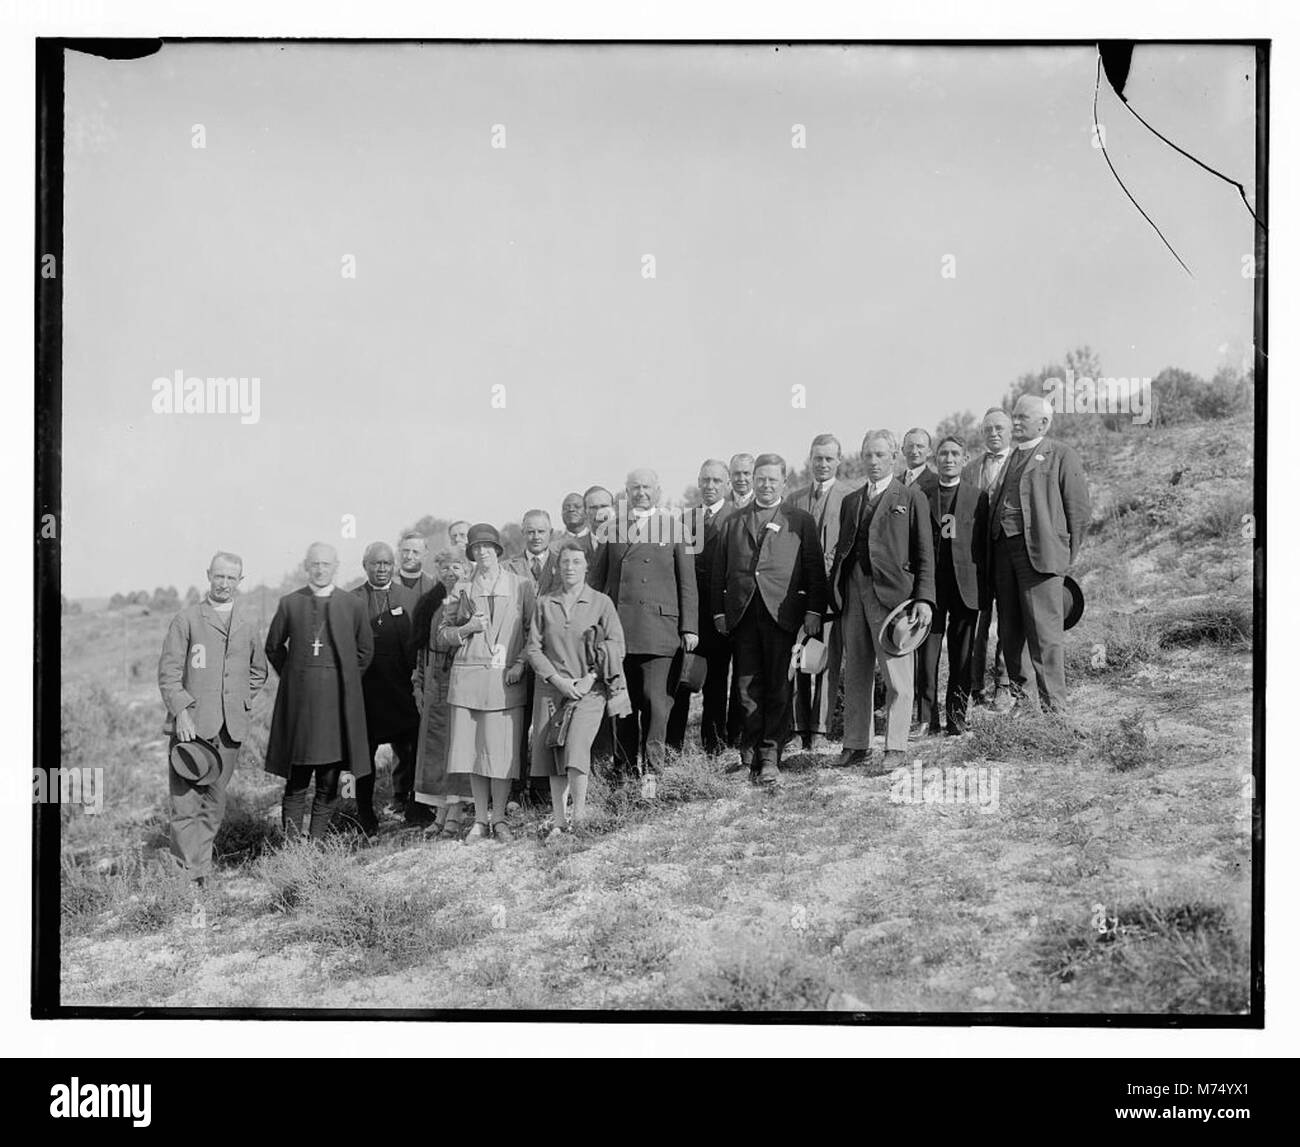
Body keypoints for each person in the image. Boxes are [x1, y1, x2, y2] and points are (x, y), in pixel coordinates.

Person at [712, 453, 827, 785]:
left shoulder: (800, 520)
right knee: (746, 685)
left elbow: (814, 571)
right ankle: (747, 752)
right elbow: (720, 571)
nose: (764, 484)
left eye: (772, 479)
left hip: (782, 614)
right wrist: (719, 611)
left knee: (779, 684)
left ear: (784, 482)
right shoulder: (733, 521)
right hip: (743, 613)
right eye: (760, 479)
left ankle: (770, 756)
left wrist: (814, 611)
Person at [157, 551, 267, 885]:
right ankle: (185, 875)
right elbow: (168, 674)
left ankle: (199, 867)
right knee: (186, 802)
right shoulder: (187, 619)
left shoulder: (247, 624)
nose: (224, 584)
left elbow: (258, 672)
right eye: (218, 576)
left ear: (240, 581)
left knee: (214, 802)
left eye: (231, 578)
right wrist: (182, 712)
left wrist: (238, 703)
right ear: (208, 575)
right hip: (192, 728)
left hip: (228, 730)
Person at [829, 431, 934, 773]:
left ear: (894, 457)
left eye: (879, 455)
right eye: (867, 456)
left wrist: (924, 598)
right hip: (853, 591)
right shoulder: (850, 501)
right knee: (857, 668)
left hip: (892, 594)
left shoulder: (911, 496)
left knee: (897, 672)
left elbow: (924, 554)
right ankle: (856, 744)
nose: (873, 462)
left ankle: (896, 746)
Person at [590, 468, 698, 780]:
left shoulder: (675, 528)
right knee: (623, 704)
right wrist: (596, 628)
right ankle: (624, 772)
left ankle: (653, 774)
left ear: (658, 490)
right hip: (620, 632)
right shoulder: (611, 529)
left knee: (656, 703)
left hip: (660, 630)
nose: (641, 493)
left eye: (647, 487)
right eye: (635, 487)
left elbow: (687, 584)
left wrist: (689, 627)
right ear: (626, 491)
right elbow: (597, 583)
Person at [986, 394, 1090, 714]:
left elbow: (1079, 512)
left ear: (1043, 423)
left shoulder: (1061, 454)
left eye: (1022, 418)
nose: (1014, 423)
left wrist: (1060, 556)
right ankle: (1025, 702)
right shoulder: (1011, 457)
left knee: (1045, 634)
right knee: (1010, 630)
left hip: (1040, 556)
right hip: (1004, 554)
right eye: (1013, 417)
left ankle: (1056, 709)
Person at [265, 543, 373, 838]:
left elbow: (365, 651)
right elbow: (273, 647)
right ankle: (291, 847)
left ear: (335, 566)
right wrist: (294, 677)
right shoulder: (290, 603)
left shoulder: (352, 605)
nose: (320, 569)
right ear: (306, 566)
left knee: (329, 779)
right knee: (297, 779)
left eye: (326, 564)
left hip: (337, 705)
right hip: (300, 705)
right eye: (315, 563)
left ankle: (315, 843)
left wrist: (345, 679)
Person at [441, 524, 536, 842]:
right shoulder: (462, 587)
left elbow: (534, 631)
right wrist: (467, 627)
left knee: (501, 753)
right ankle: (479, 820)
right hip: (468, 679)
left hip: (505, 680)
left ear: (498, 550)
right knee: (473, 753)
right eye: (476, 548)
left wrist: (521, 662)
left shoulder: (521, 585)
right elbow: (443, 635)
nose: (482, 552)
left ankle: (499, 820)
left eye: (487, 546)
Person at [526, 541, 627, 835]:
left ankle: (580, 818)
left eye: (576, 562)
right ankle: (559, 821)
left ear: (587, 567)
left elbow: (617, 645)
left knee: (575, 749)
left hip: (589, 692)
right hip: (551, 691)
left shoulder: (601, 602)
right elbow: (533, 649)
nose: (570, 567)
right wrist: (557, 680)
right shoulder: (545, 603)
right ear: (557, 567)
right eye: (565, 562)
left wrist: (590, 677)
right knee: (554, 754)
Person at [783, 433, 862, 752]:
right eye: (818, 458)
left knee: (827, 658)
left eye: (829, 458)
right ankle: (797, 725)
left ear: (839, 461)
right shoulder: (794, 499)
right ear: (810, 460)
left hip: (832, 591)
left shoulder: (850, 496)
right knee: (798, 658)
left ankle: (820, 727)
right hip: (797, 592)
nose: (824, 464)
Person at [667, 459, 735, 755]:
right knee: (682, 682)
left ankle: (714, 748)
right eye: (705, 480)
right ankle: (672, 749)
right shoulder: (684, 520)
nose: (710, 486)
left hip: (721, 615)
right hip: (690, 616)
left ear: (728, 484)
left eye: (717, 481)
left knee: (717, 685)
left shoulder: (738, 517)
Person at [352, 542, 422, 830]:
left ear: (394, 566)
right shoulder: (353, 599)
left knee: (414, 748)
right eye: (375, 563)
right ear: (365, 565)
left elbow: (418, 643)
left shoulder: (409, 597)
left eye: (386, 563)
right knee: (363, 756)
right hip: (366, 692)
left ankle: (417, 807)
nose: (381, 569)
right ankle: (365, 815)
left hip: (402, 688)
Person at [917, 436, 982, 735]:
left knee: (962, 655)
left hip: (966, 587)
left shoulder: (977, 497)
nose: (949, 459)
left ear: (965, 458)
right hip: (931, 587)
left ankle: (957, 718)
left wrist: (986, 590)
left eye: (955, 453)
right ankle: (927, 719)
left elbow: (984, 548)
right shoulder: (921, 495)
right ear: (935, 459)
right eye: (943, 453)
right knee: (927, 656)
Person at [412, 546, 474, 839]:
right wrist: (419, 683)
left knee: (457, 747)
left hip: (459, 680)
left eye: (457, 567)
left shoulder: (469, 600)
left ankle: (456, 813)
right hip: (434, 683)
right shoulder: (431, 604)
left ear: (466, 570)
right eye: (445, 568)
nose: (451, 573)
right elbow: (423, 648)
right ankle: (439, 812)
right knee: (436, 749)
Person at [967, 407, 1014, 707]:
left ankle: (1004, 684)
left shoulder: (1022, 462)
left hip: (1010, 556)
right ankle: (972, 686)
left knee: (1008, 620)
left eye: (999, 428)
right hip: (976, 556)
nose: (994, 434)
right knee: (976, 622)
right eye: (988, 429)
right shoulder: (970, 468)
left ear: (1010, 431)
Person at [506, 509, 558, 594]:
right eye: (531, 532)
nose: (536, 537)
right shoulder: (506, 568)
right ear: (523, 533)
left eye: (541, 532)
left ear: (551, 532)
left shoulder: (562, 565)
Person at [396, 531, 438, 598]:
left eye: (415, 552)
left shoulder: (433, 585)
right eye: (406, 551)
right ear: (399, 551)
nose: (409, 556)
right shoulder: (386, 582)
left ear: (425, 555)